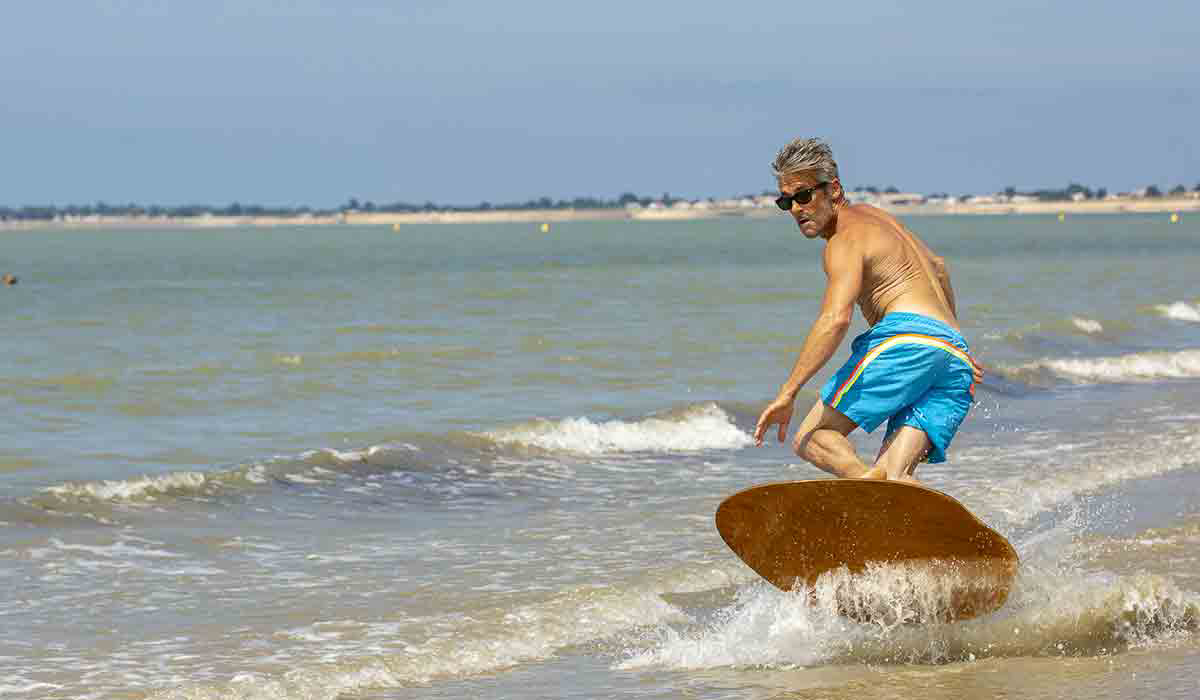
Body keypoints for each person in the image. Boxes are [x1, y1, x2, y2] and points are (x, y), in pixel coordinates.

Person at [752, 138, 983, 482]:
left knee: (812, 438)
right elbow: (938, 267)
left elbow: (836, 319)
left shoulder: (844, 240)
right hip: (953, 355)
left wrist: (788, 393)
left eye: (803, 196)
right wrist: (950, 343)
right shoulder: (880, 218)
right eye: (786, 201)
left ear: (834, 190)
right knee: (895, 475)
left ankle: (867, 488)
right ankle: (905, 520)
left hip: (906, 341)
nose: (797, 209)